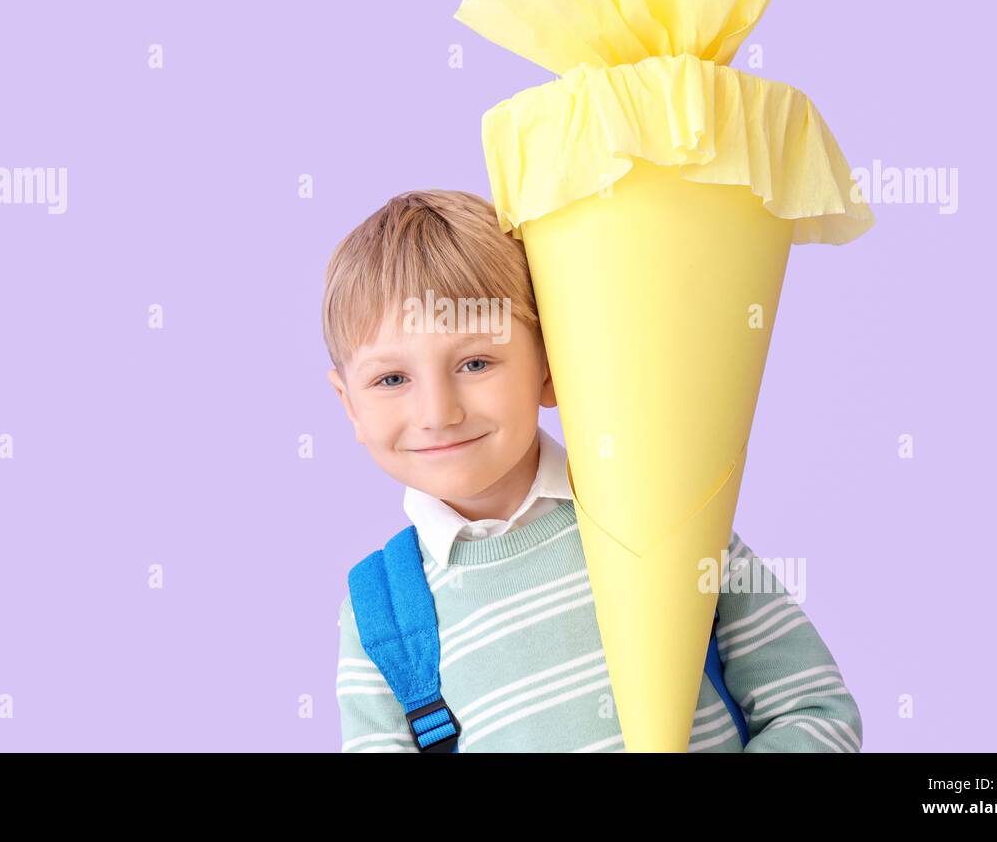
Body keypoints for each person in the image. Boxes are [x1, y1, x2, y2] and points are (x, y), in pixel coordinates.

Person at [324, 189, 863, 752]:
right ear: (349, 405)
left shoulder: (662, 513)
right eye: (391, 379)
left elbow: (814, 711)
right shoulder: (377, 616)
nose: (438, 413)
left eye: (476, 362)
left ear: (553, 366)